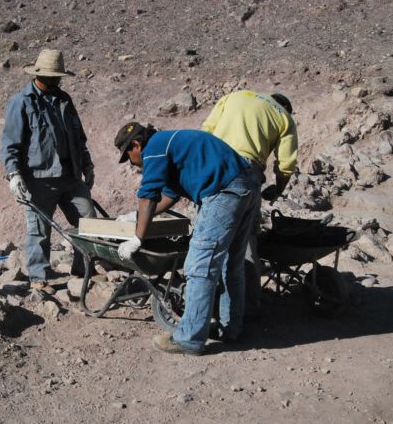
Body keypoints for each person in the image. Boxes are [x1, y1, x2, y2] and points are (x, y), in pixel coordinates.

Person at [114, 122, 259, 355]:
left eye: (128, 156)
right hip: (246, 188)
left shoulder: (155, 148)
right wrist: (136, 216)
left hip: (223, 193)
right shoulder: (173, 143)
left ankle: (189, 339)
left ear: (136, 144)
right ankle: (230, 329)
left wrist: (137, 238)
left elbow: (148, 195)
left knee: (199, 265)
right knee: (232, 264)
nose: (132, 163)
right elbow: (169, 196)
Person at [0, 49, 96, 294]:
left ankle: (82, 269)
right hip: (39, 179)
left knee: (89, 223)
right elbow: (10, 143)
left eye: (58, 77)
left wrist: (87, 165)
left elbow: (79, 137)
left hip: (70, 175)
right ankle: (38, 277)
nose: (56, 81)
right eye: (52, 77)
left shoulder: (64, 100)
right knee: (39, 230)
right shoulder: (22, 102)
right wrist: (14, 174)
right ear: (39, 75)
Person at [201, 90, 298, 321]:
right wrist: (279, 189)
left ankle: (206, 306)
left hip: (214, 165)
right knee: (243, 245)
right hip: (246, 171)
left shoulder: (234, 96)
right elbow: (286, 164)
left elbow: (206, 131)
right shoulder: (284, 116)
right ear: (285, 106)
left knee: (208, 240)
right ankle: (245, 310)